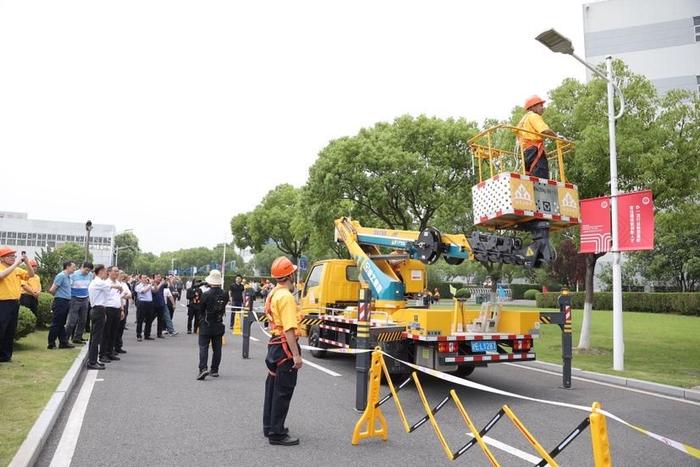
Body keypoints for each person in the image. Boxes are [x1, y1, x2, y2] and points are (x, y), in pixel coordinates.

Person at [263, 257, 302, 446]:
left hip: (274, 344)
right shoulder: (286, 297)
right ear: (290, 274)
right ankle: (276, 433)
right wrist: (296, 355)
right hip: (284, 346)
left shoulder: (273, 293)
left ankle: (269, 426)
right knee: (283, 391)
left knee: (272, 386)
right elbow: (289, 329)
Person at [0, 247, 35, 362]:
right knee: (1, 329)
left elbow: (31, 274)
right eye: (10, 256)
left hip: (14, 302)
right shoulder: (5, 268)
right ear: (2, 258)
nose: (13, 258)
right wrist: (15, 264)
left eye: (14, 256)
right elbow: (1, 276)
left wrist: (27, 262)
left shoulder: (17, 269)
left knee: (10, 329)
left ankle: (6, 355)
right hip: (2, 303)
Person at [87, 264, 121, 369]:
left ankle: (92, 360)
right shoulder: (98, 282)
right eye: (106, 271)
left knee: (94, 337)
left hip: (97, 309)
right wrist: (119, 286)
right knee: (96, 337)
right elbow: (110, 286)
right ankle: (92, 362)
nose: (106, 273)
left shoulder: (96, 282)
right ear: (101, 271)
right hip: (98, 309)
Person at [196, 270, 228, 380]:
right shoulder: (225, 294)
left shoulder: (206, 294)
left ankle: (203, 368)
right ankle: (214, 369)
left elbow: (201, 309)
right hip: (218, 322)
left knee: (203, 346)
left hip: (206, 322)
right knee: (217, 348)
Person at [516, 95, 558, 179]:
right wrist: (558, 137)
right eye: (541, 105)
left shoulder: (524, 120)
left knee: (530, 176)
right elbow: (544, 131)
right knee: (541, 176)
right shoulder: (534, 116)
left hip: (526, 153)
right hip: (535, 150)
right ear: (533, 107)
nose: (543, 108)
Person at [48, 261, 77, 350]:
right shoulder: (61, 276)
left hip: (66, 301)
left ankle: (63, 342)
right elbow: (52, 289)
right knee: (56, 323)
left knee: (62, 323)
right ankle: (51, 343)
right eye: (73, 267)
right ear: (67, 267)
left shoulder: (68, 277)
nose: (74, 269)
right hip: (60, 301)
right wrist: (58, 297)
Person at [65, 261, 93, 345]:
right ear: (82, 267)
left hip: (85, 299)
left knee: (83, 320)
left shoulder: (90, 275)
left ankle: (77, 337)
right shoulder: (73, 275)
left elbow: (89, 287)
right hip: (74, 299)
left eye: (89, 270)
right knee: (72, 321)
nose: (87, 272)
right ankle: (65, 339)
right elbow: (69, 287)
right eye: (86, 270)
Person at [101, 266, 125, 362]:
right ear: (109, 272)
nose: (117, 273)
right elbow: (102, 298)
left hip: (117, 309)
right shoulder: (106, 283)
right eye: (115, 271)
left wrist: (122, 309)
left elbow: (119, 297)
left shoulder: (118, 283)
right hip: (108, 309)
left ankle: (110, 352)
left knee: (114, 332)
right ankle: (103, 354)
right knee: (106, 332)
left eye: (117, 271)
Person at [115, 272, 132, 354]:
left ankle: (118, 346)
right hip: (117, 306)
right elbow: (118, 296)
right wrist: (123, 295)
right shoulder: (115, 284)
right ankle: (113, 347)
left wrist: (123, 296)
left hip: (124, 306)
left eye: (122, 275)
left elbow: (129, 294)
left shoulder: (124, 284)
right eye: (120, 275)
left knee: (121, 327)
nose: (121, 276)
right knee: (115, 327)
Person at [135, 275, 155, 341]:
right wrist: (150, 284)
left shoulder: (148, 285)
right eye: (143, 278)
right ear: (140, 279)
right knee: (140, 319)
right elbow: (143, 291)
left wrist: (154, 284)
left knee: (149, 320)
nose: (145, 279)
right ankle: (139, 335)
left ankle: (147, 334)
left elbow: (155, 290)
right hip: (142, 303)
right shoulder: (138, 286)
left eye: (146, 277)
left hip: (150, 303)